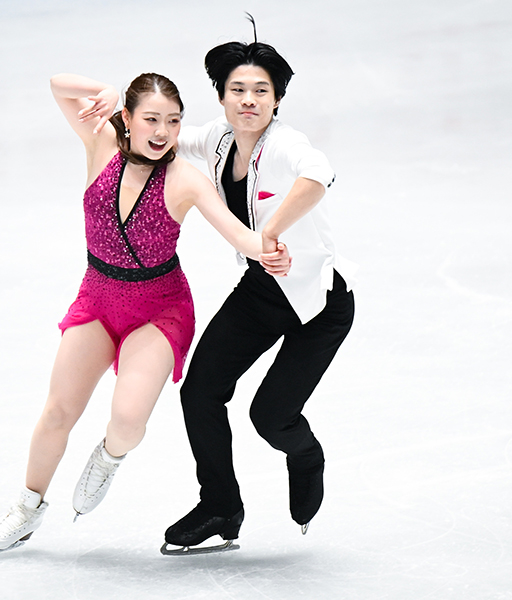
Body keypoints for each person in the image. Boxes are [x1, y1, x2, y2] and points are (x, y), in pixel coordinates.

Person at [0, 71, 291, 555]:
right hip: (98, 298)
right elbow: (59, 85)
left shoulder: (184, 177)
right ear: (127, 118)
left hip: (159, 309)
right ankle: (26, 507)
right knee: (59, 410)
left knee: (126, 420)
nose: (163, 131)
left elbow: (238, 233)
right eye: (151, 119)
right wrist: (102, 88)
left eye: (173, 120)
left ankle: (108, 457)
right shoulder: (100, 142)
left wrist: (267, 249)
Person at [162, 26, 356, 554]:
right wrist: (113, 118)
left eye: (261, 91)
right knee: (199, 391)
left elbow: (319, 177)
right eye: (237, 90)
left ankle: (306, 452)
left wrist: (267, 234)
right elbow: (160, 135)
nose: (249, 100)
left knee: (270, 419)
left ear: (277, 98)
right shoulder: (218, 139)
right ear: (222, 95)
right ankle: (221, 507)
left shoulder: (288, 144)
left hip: (319, 303)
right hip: (263, 291)